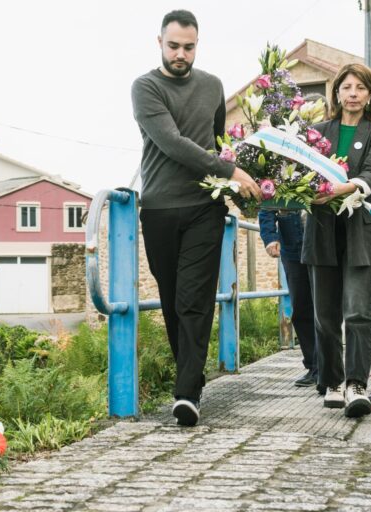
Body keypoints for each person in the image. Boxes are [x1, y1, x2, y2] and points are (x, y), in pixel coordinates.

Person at [131, 9, 261, 426]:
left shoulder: (213, 86)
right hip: (158, 209)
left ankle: (187, 392)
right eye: (174, 46)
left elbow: (218, 144)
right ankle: (191, 375)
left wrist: (243, 178)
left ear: (196, 45)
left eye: (188, 47)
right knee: (171, 299)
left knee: (195, 299)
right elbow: (172, 143)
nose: (181, 54)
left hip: (206, 207)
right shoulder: (145, 87)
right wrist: (231, 172)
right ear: (160, 43)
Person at [302, 63, 371, 417]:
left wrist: (348, 186)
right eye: (346, 87)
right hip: (323, 231)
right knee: (325, 316)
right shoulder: (316, 132)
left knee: (358, 312)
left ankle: (357, 384)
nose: (353, 93)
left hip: (361, 233)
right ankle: (332, 382)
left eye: (360, 87)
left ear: (370, 94)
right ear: (336, 93)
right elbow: (301, 172)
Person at [258, 209, 318, 387]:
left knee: (325, 309)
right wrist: (270, 237)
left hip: (321, 245)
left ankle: (326, 367)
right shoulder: (276, 180)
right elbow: (267, 207)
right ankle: (314, 367)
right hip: (293, 248)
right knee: (301, 309)